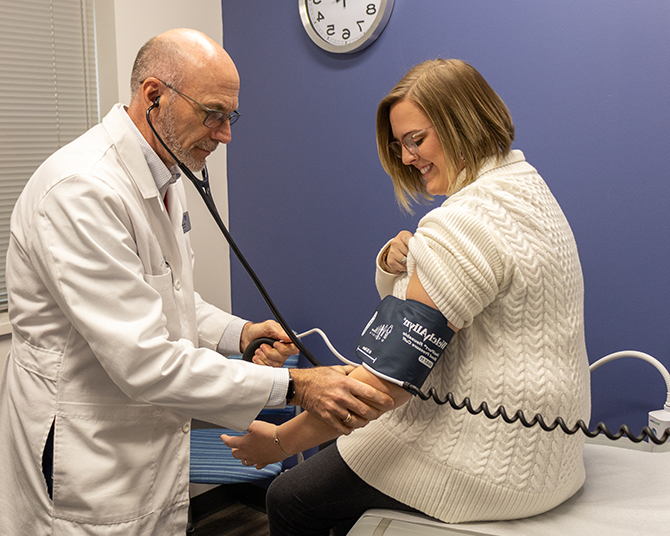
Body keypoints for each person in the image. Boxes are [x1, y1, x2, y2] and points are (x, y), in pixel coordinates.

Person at [0, 28, 393, 536]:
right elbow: (144, 360)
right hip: (87, 453)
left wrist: (241, 333)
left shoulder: (165, 172)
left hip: (144, 445)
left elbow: (172, 296)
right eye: (213, 113)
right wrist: (295, 386)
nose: (225, 134)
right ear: (154, 95)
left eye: (230, 117)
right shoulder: (82, 192)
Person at [222, 59, 591, 535]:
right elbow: (459, 302)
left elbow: (385, 387)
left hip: (490, 466)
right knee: (336, 448)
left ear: (464, 121)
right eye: (400, 146)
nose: (407, 158)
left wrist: (275, 442)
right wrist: (401, 262)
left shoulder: (461, 223)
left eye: (415, 139)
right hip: (551, 458)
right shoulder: (527, 189)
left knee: (290, 497)